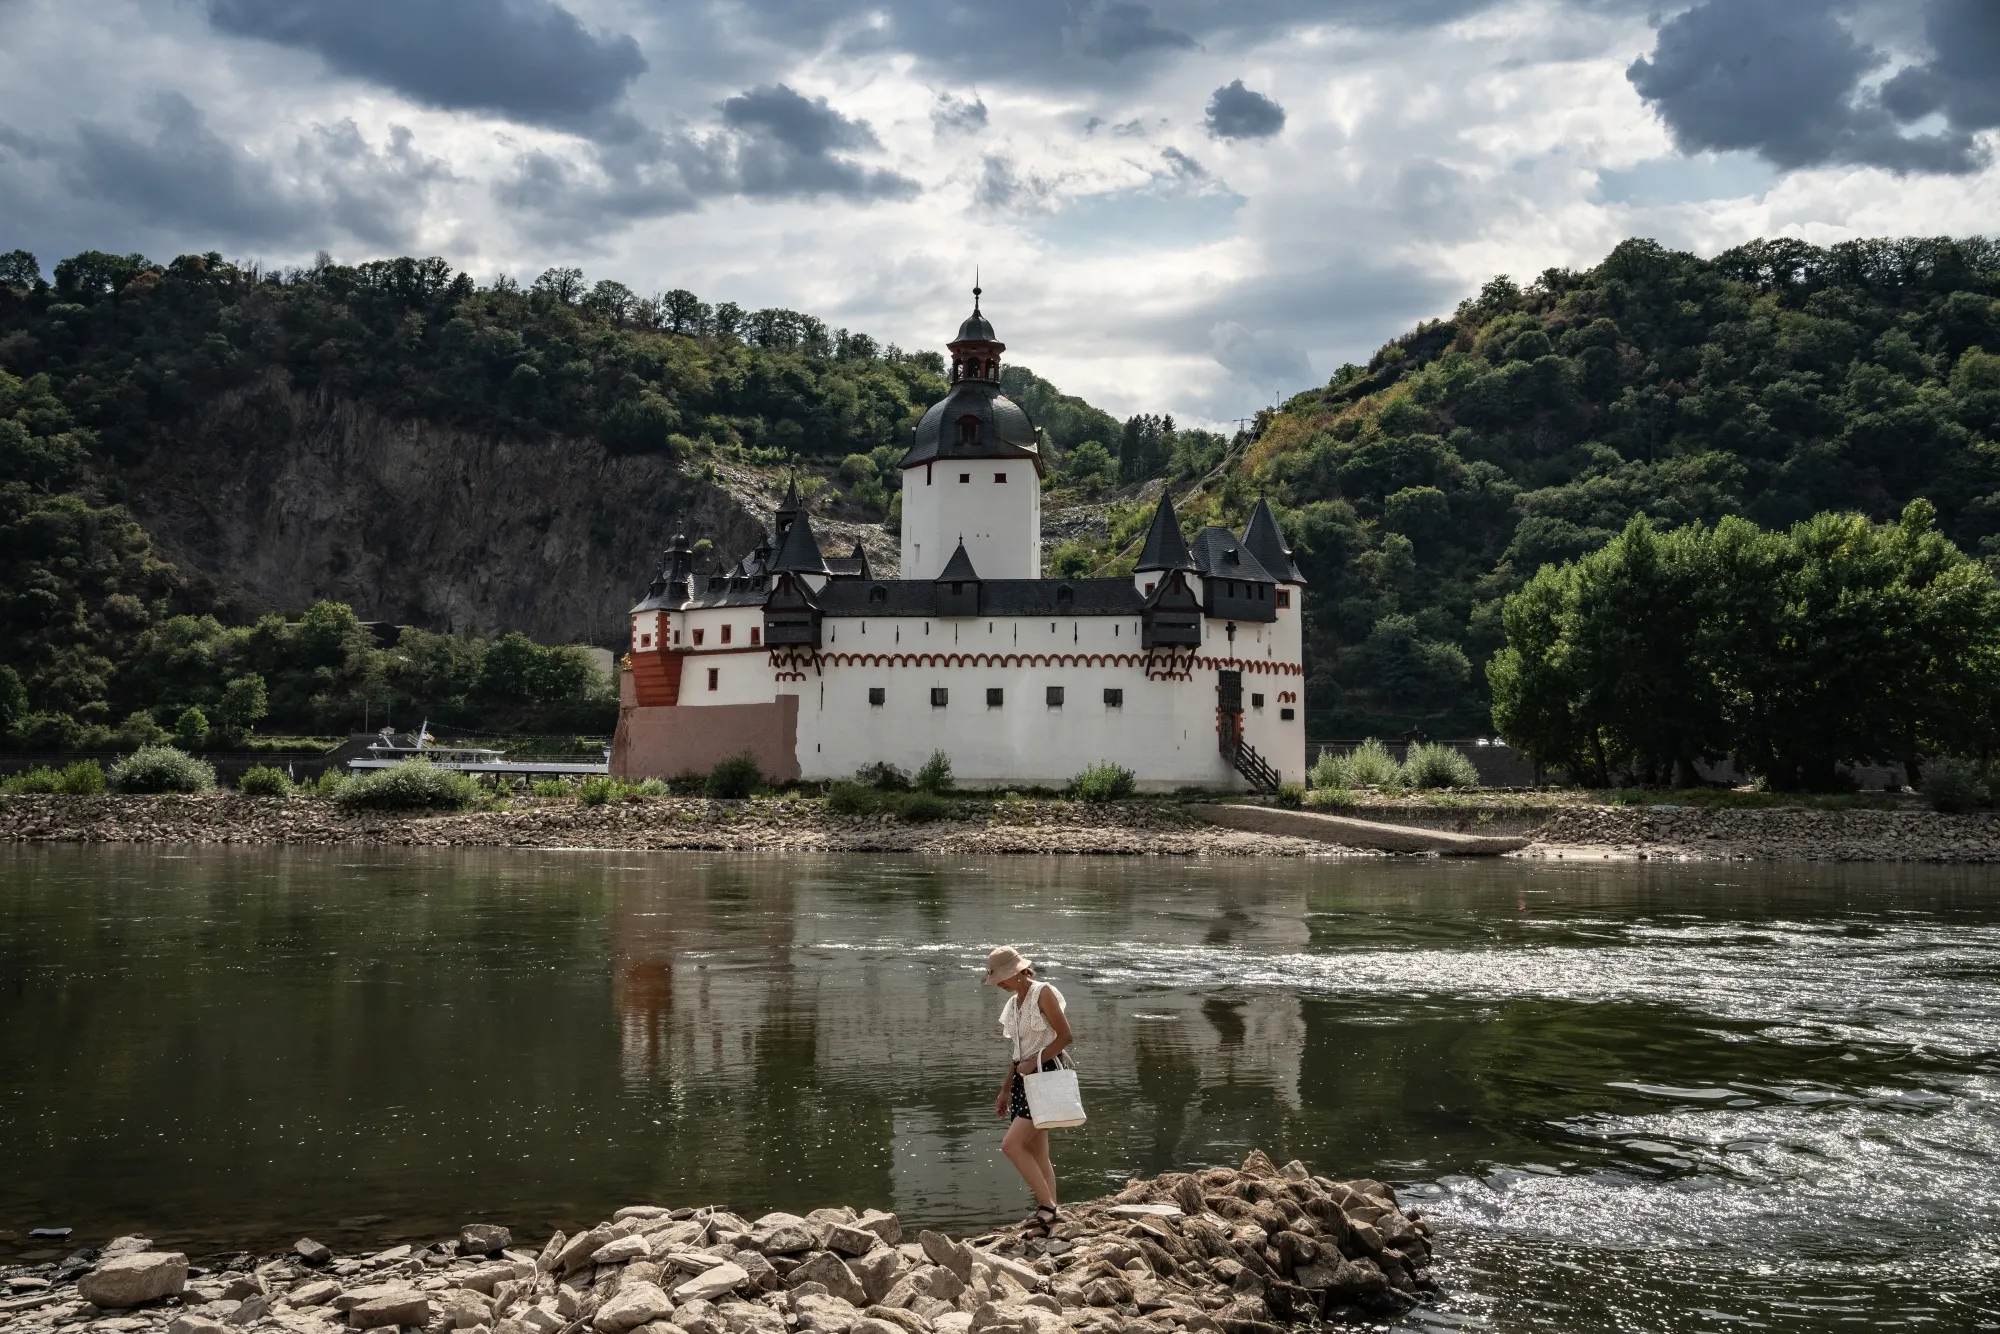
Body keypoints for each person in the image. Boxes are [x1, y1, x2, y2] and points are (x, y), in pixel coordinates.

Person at [986, 945, 1073, 1229]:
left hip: (1045, 1074)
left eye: (1003, 977)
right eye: (996, 979)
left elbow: (1065, 1037)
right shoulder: (1013, 1004)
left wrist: (1034, 1062)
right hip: (1023, 1080)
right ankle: (1052, 1212)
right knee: (1038, 1154)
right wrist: (1004, 1089)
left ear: (1019, 972)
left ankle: (1047, 1206)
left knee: (1011, 1145)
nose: (999, 984)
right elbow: (1017, 1053)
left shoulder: (1043, 992)